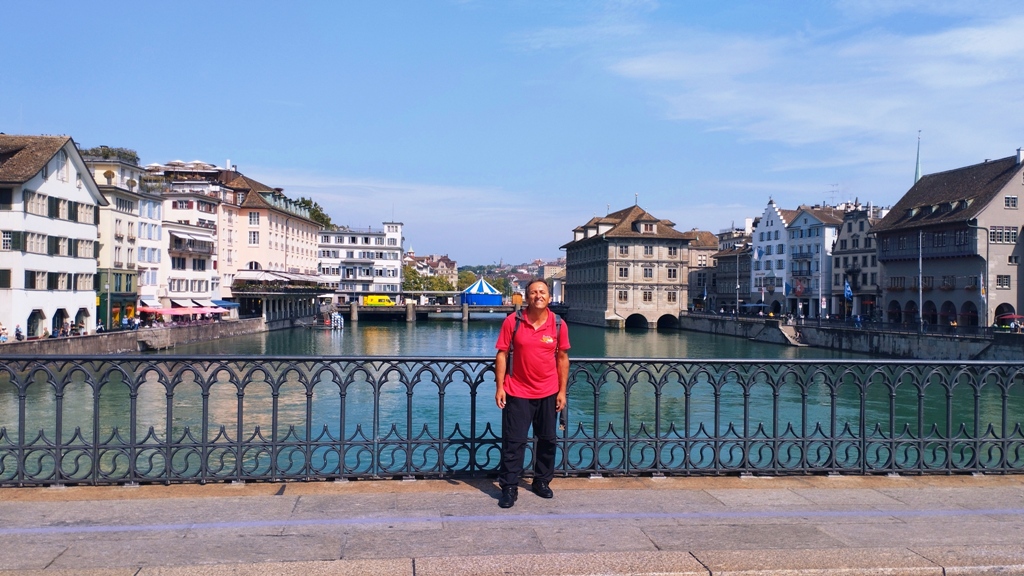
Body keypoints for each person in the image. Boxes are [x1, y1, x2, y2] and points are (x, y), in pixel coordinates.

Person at [493, 278, 570, 509]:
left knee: (547, 440)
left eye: (542, 292)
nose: (538, 296)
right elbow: (502, 354)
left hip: (548, 391)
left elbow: (563, 358)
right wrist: (500, 387)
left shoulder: (558, 324)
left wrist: (562, 391)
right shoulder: (513, 321)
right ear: (527, 297)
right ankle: (509, 487)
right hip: (517, 391)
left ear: (549, 297)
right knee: (514, 442)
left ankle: (542, 481)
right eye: (534, 292)